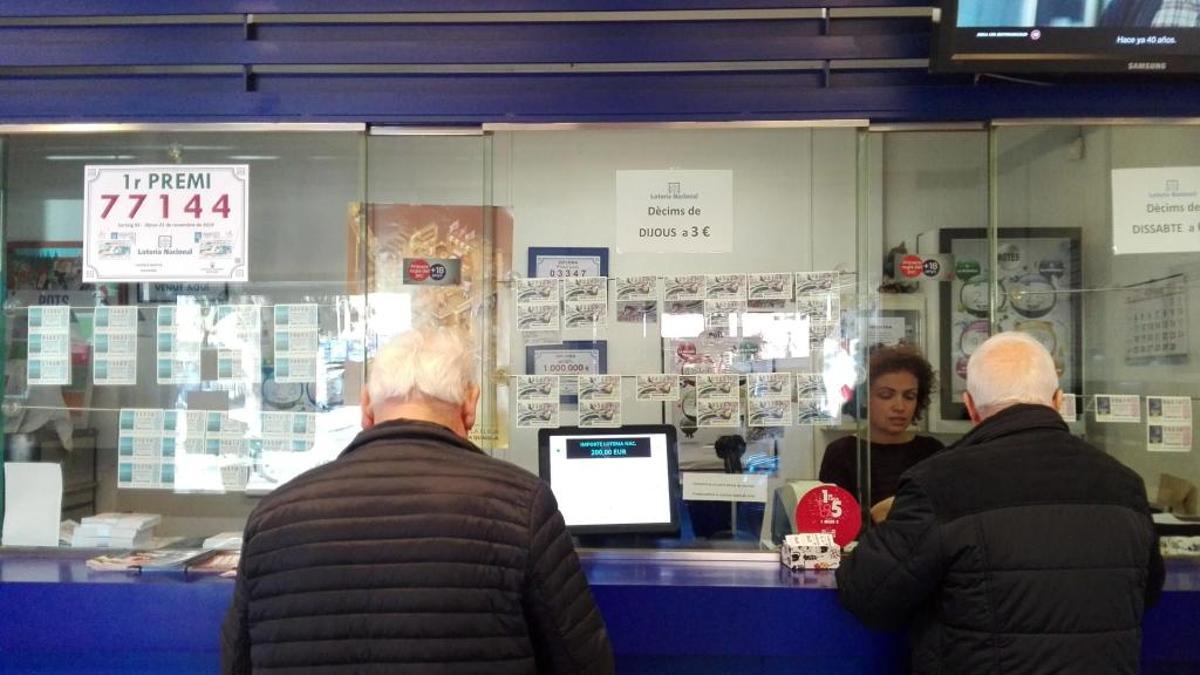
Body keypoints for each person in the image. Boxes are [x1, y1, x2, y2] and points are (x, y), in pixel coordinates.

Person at [221, 329, 614, 674]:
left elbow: (237, 661)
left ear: (366, 407)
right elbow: (581, 661)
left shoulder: (273, 516)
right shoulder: (521, 505)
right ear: (470, 405)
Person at [836, 332, 1164, 675]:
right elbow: (1147, 592)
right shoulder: (1125, 484)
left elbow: (867, 593)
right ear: (1057, 399)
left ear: (971, 407)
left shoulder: (939, 483)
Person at [819, 344, 943, 521]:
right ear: (864, 399)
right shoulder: (842, 453)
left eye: (909, 396)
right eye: (886, 395)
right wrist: (873, 517)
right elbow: (831, 524)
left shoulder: (931, 451)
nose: (899, 407)